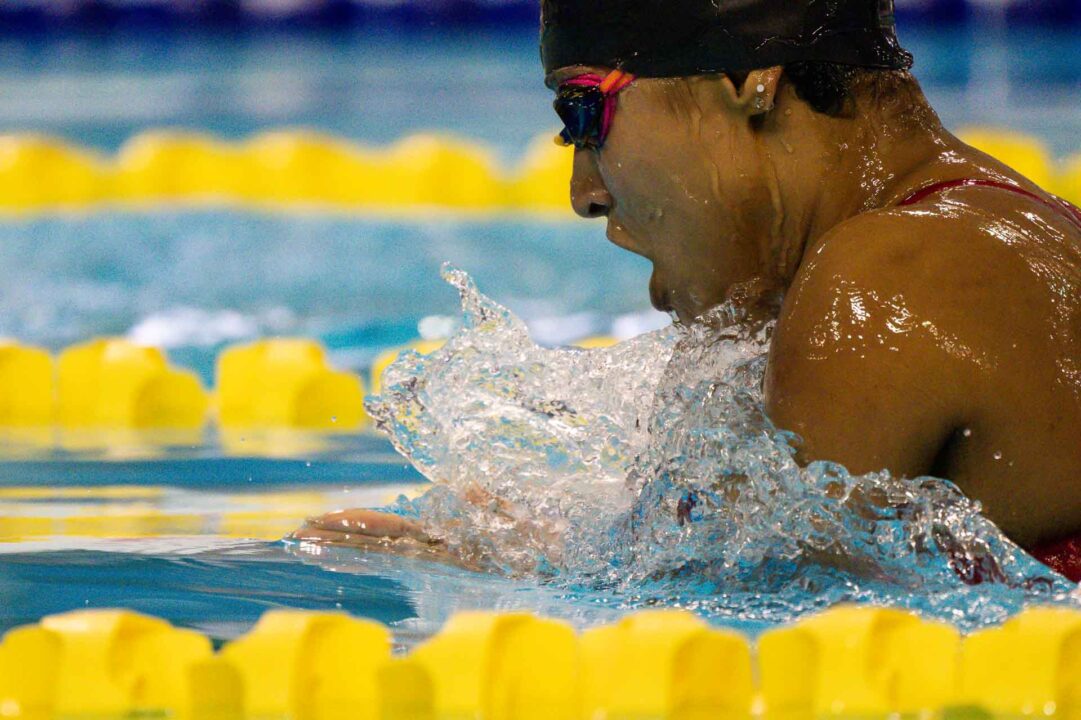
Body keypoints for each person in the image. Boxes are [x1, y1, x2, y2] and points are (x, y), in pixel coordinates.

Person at [294, 0, 1081, 582]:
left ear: (748, 83)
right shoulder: (1006, 229)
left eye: (583, 114)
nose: (583, 192)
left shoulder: (884, 282)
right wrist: (557, 548)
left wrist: (501, 577)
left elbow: (771, 629)